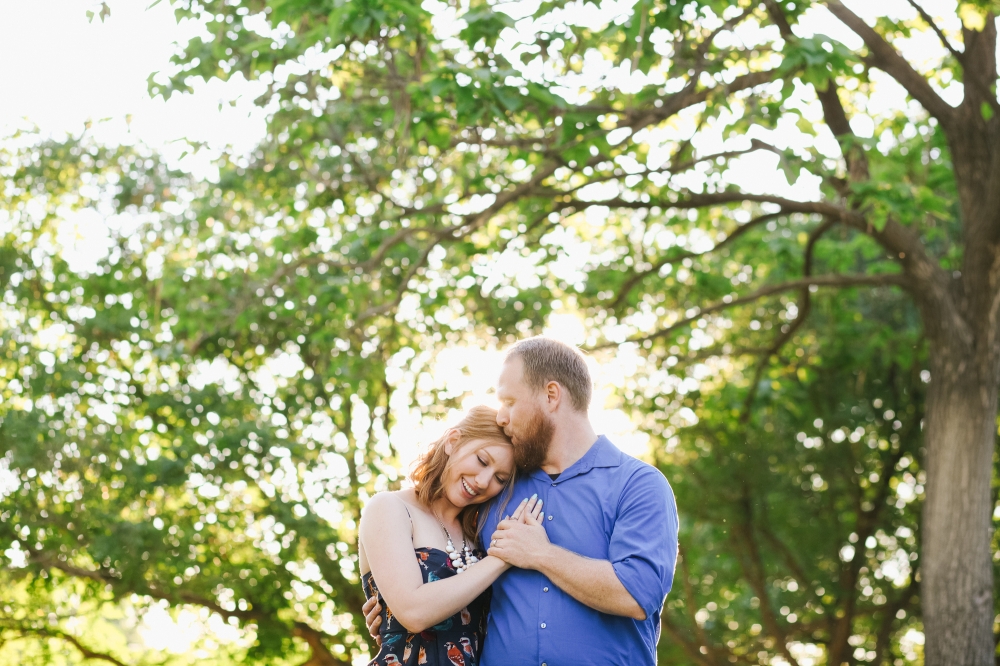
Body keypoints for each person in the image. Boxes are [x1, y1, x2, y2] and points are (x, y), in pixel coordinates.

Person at [365, 337, 679, 666]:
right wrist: (388, 610)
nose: (501, 416)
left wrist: (541, 554)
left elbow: (637, 595)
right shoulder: (497, 491)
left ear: (551, 395)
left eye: (510, 401)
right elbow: (446, 572)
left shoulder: (639, 484)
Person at [358, 405, 544, 666]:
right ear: (453, 441)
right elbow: (414, 612)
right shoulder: (389, 508)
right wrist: (502, 557)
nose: (482, 481)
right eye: (481, 460)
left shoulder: (479, 533)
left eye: (500, 478)